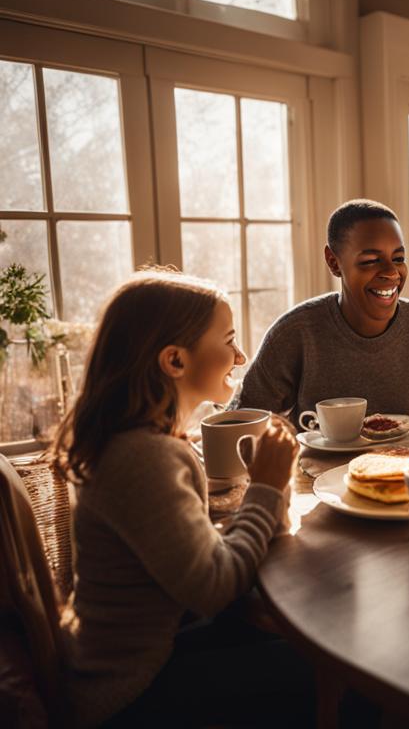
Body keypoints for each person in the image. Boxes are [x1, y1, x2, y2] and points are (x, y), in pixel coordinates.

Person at [51, 269, 309, 727]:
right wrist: (267, 488)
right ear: (174, 361)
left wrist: (273, 489)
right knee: (330, 669)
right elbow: (214, 587)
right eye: (228, 340)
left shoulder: (145, 443)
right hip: (130, 694)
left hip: (161, 646)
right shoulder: (142, 458)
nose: (241, 354)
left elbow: (203, 558)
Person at [237, 199, 409, 427]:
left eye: (398, 259)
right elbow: (240, 424)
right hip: (319, 465)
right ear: (334, 262)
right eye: (371, 261)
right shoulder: (293, 333)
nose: (391, 272)